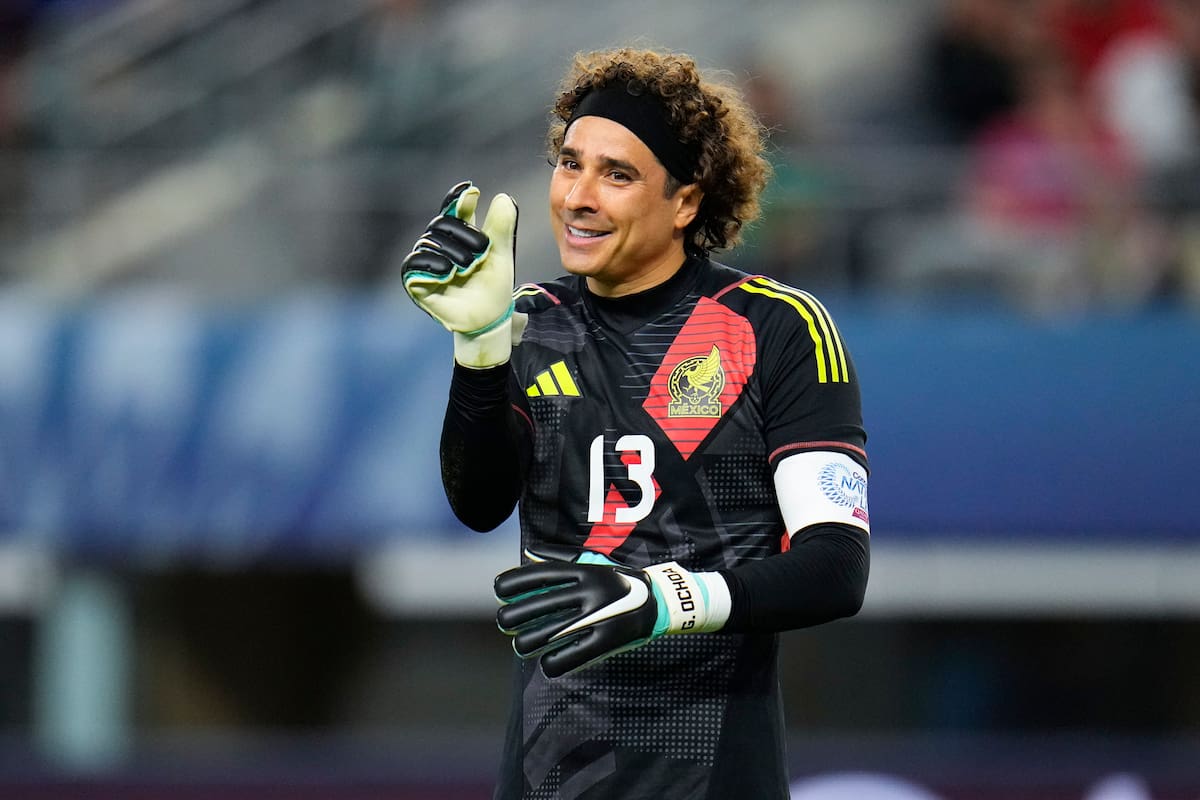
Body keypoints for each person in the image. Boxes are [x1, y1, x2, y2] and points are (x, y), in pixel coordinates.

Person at [401, 46, 870, 800]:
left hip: (714, 779)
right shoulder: (531, 323)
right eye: (569, 163)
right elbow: (478, 502)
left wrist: (664, 599)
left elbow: (836, 569)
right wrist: (480, 355)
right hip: (548, 777)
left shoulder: (777, 327)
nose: (579, 196)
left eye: (617, 174)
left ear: (685, 202)